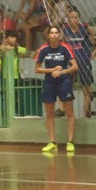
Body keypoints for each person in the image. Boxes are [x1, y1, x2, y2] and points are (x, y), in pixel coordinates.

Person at [35, 25, 79, 154]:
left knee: (69, 112)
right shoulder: (44, 49)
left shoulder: (65, 47)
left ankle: (70, 141)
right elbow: (37, 69)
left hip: (64, 80)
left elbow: (75, 67)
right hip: (49, 81)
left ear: (59, 35)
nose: (54, 35)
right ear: (48, 35)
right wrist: (52, 70)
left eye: (56, 33)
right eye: (51, 33)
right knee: (49, 113)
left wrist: (62, 71)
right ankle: (52, 142)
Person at [62, 8, 96, 118]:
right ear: (68, 19)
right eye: (72, 17)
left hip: (84, 60)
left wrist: (95, 51)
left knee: (86, 90)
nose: (74, 19)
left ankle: (85, 115)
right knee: (64, 86)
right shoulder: (65, 29)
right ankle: (64, 111)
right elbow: (60, 41)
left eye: (76, 17)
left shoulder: (84, 27)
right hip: (71, 61)